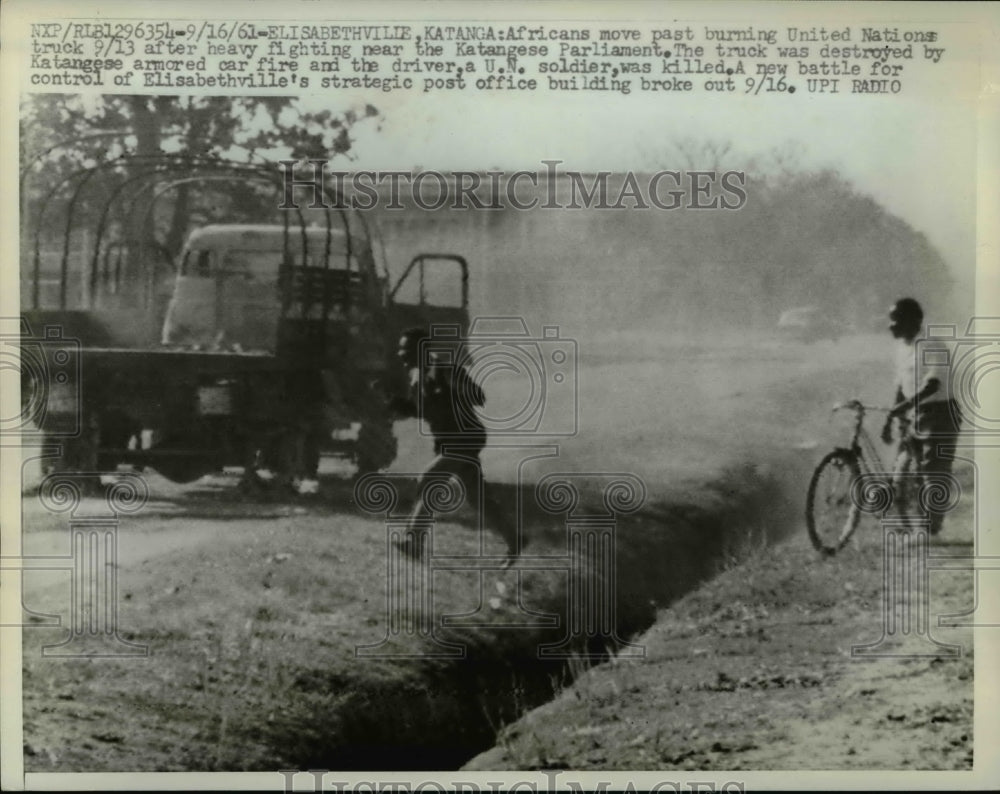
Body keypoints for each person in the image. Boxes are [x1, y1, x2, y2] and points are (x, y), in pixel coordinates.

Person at [390, 327, 518, 562]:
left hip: (466, 438)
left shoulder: (447, 370)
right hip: (449, 441)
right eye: (401, 350)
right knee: (479, 499)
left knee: (429, 478)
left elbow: (479, 397)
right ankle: (515, 539)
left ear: (423, 351)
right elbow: (423, 410)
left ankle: (414, 540)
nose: (401, 355)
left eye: (406, 350)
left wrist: (457, 386)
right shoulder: (418, 377)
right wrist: (399, 406)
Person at [880, 297, 962, 535]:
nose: (891, 325)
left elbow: (932, 385)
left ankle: (930, 529)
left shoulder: (932, 345)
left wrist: (904, 407)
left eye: (896, 320)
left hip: (940, 412)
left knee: (932, 471)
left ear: (914, 321)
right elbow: (900, 386)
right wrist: (889, 419)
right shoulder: (901, 349)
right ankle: (911, 523)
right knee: (905, 470)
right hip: (913, 413)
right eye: (891, 320)